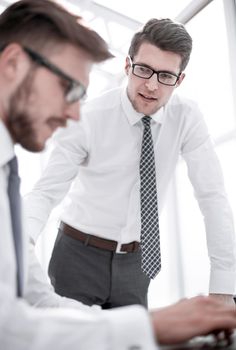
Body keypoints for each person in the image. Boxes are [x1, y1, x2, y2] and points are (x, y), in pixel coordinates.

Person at [1, 1, 236, 349]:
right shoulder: (88, 117)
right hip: (77, 254)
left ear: (179, 80)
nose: (152, 86)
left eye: (166, 76)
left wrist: (224, 288)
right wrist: (21, 244)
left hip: (137, 262)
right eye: (144, 70)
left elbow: (212, 196)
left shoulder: (187, 116)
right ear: (127, 65)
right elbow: (45, 192)